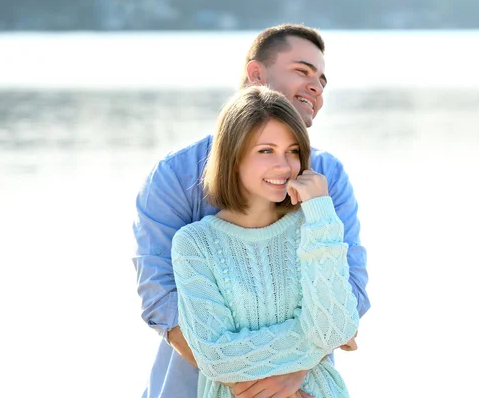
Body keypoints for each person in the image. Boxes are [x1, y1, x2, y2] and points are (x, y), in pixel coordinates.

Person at [132, 23, 370, 398]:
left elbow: (349, 297)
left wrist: (292, 378)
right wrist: (256, 385)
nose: (317, 87)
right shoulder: (175, 175)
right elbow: (162, 300)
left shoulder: (327, 179)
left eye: (322, 80)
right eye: (302, 71)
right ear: (257, 74)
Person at [172, 85, 359, 398]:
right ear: (233, 157)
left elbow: (334, 330)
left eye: (293, 151)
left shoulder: (315, 227)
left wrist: (321, 212)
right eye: (266, 151)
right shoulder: (194, 244)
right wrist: (313, 340)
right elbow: (217, 359)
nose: (284, 166)